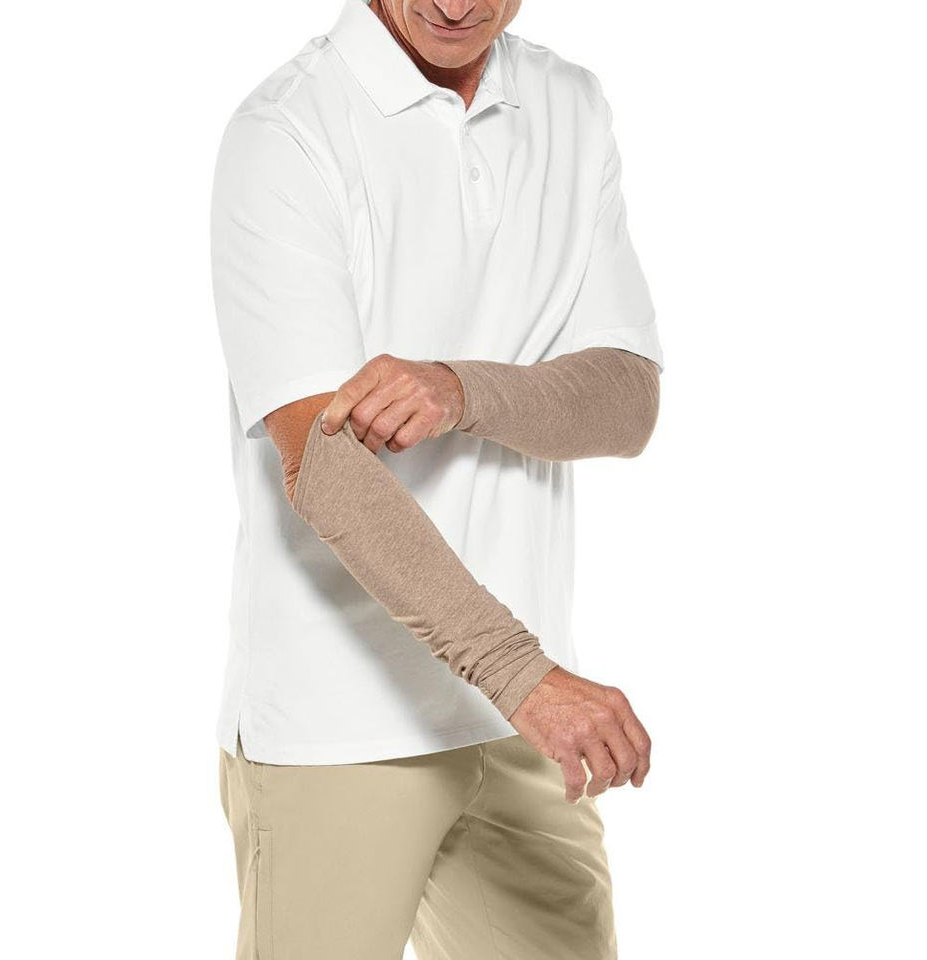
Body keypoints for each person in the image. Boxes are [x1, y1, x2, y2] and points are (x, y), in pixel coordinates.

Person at [210, 1, 664, 957]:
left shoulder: (570, 107)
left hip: (520, 726)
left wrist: (460, 390)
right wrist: (524, 676)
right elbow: (325, 467)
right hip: (342, 727)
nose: (457, 5)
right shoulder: (287, 130)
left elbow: (627, 401)